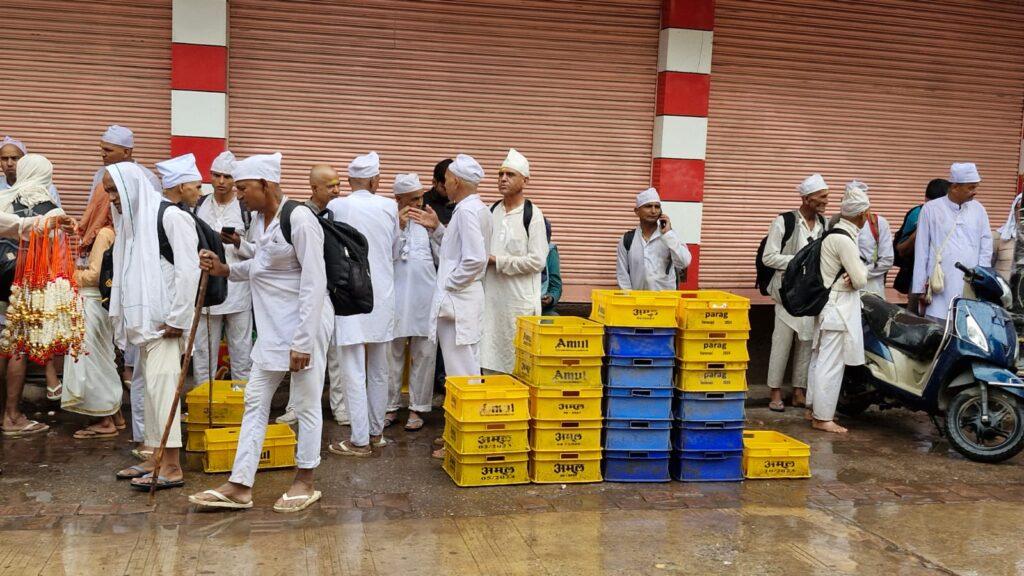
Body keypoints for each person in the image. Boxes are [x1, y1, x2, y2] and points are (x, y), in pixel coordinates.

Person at [189, 152, 332, 513]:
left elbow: (315, 282)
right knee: (255, 400)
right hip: (271, 329)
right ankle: (240, 485)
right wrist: (225, 269)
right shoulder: (258, 222)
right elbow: (262, 265)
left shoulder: (299, 218)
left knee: (305, 403)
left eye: (243, 188)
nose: (238, 195)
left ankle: (305, 480)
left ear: (265, 185)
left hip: (305, 326)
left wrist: (303, 341)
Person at [107, 158, 200, 491]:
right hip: (145, 325)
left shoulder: (170, 216)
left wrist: (177, 318)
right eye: (108, 192)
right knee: (149, 394)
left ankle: (172, 466)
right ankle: (153, 455)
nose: (112, 199)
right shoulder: (132, 225)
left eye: (114, 191)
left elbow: (189, 271)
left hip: (164, 324)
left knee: (164, 393)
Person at [410, 154, 491, 459]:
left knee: (461, 374)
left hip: (458, 302)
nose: (443, 185)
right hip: (462, 301)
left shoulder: (467, 212)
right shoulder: (473, 210)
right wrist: (438, 229)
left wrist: (450, 285)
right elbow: (458, 251)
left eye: (446, 180)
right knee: (466, 369)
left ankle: (465, 439)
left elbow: (473, 259)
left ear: (455, 180)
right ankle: (459, 434)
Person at [326, 152, 399, 457]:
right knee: (380, 368)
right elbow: (394, 249)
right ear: (374, 180)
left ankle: (358, 440)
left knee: (353, 369)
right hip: (382, 295)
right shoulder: (390, 206)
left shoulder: (335, 206)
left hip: (350, 295)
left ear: (350, 181)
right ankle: (376, 433)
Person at [0, 154, 67, 438]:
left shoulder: (4, 198)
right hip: (25, 284)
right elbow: (54, 251)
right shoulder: (50, 210)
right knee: (18, 347)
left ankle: (4, 411)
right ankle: (12, 415)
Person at [278, 163, 348, 426]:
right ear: (314, 187)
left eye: (339, 184)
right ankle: (296, 408)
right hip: (308, 298)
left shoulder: (335, 213)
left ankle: (340, 408)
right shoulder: (301, 216)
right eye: (331, 186)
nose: (337, 191)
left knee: (337, 358)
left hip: (335, 295)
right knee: (304, 358)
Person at [61, 177, 125, 438]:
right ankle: (116, 415)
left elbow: (95, 276)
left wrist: (65, 274)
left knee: (93, 362)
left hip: (93, 302)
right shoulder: (114, 231)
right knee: (104, 358)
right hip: (101, 305)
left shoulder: (103, 234)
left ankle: (104, 422)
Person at [805, 186, 870, 434]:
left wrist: (854, 275)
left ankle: (813, 410)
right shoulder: (844, 239)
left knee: (820, 360)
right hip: (838, 309)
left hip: (830, 307)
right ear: (862, 214)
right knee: (830, 364)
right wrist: (856, 275)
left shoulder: (836, 234)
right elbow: (861, 278)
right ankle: (823, 418)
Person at [763, 174, 830, 412]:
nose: (825, 201)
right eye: (821, 197)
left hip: (810, 294)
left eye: (826, 196)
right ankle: (775, 391)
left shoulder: (825, 224)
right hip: (786, 293)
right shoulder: (784, 222)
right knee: (781, 343)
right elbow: (768, 257)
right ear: (806, 198)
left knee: (807, 341)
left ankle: (799, 391)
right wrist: (800, 262)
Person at [481, 149, 548, 374]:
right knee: (488, 359)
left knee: (519, 363)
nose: (503, 179)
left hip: (519, 303)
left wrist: (497, 261)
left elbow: (537, 261)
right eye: (500, 174)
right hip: (492, 304)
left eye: (510, 174)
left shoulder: (533, 215)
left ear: (525, 180)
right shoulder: (490, 211)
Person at [192, 151, 253, 388]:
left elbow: (259, 252)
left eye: (227, 177)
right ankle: (203, 405)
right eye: (216, 175)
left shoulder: (247, 210)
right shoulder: (199, 205)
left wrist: (238, 242)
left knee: (241, 353)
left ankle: (242, 408)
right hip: (208, 291)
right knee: (203, 356)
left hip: (239, 291)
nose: (221, 181)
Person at [387, 173, 436, 431]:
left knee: (424, 353)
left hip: (425, 297)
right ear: (398, 199)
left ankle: (418, 408)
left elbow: (445, 253)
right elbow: (382, 253)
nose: (419, 203)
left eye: (420, 197)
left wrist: (435, 228)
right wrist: (398, 227)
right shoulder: (387, 220)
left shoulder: (429, 220)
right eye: (413, 198)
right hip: (395, 296)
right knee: (391, 353)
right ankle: (390, 406)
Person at [912, 163, 992, 321]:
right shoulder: (930, 209)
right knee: (938, 332)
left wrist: (981, 279)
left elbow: (986, 246)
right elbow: (921, 250)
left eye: (976, 187)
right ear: (955, 187)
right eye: (971, 188)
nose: (975, 192)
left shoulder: (979, 209)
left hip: (970, 285)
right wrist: (920, 287)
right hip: (939, 284)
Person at [615, 187, 692, 291]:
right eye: (648, 206)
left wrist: (668, 235)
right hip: (638, 302)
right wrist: (629, 299)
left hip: (665, 301)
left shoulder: (670, 236)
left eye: (657, 207)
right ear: (637, 211)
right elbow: (622, 275)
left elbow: (684, 262)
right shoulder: (627, 239)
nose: (653, 211)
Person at [893, 179, 950, 312]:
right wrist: (921, 230)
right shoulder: (916, 214)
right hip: (918, 278)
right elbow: (901, 250)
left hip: (946, 277)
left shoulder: (955, 215)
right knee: (915, 317)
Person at [88, 125, 162, 201]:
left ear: (126, 152)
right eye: (102, 149)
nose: (102, 154)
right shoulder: (101, 174)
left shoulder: (148, 178)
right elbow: (93, 207)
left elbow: (155, 210)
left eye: (108, 150)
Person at [849, 181, 893, 298]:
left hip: (872, 287)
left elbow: (887, 260)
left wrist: (860, 272)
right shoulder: (836, 223)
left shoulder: (879, 224)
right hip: (845, 287)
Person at [0, 136, 61, 205]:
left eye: (15, 158)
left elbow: (56, 214)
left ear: (25, 160)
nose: (9, 163)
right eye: (4, 159)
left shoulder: (45, 187)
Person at [993, 191, 1021, 281]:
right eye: (1019, 209)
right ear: (1014, 210)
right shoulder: (998, 237)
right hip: (1002, 292)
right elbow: (985, 268)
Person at [423, 158, 455, 226]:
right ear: (434, 182)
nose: (449, 190)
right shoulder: (422, 202)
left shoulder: (461, 202)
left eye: (451, 186)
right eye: (444, 188)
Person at [541, 218, 561, 315]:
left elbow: (556, 286)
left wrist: (550, 298)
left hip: (541, 307)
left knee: (552, 318)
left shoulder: (550, 251)